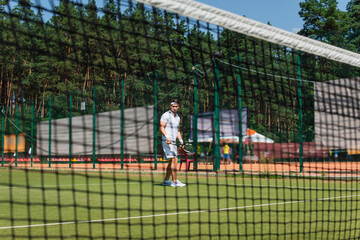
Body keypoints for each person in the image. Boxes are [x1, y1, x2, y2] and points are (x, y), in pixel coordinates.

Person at [159, 99, 186, 187]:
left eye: (176, 106)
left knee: (172, 161)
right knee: (175, 159)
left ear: (178, 107)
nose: (174, 108)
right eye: (173, 106)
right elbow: (161, 127)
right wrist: (167, 137)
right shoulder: (166, 115)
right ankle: (174, 181)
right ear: (170, 106)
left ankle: (166, 180)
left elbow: (177, 131)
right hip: (167, 141)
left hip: (174, 142)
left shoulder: (178, 117)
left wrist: (181, 141)